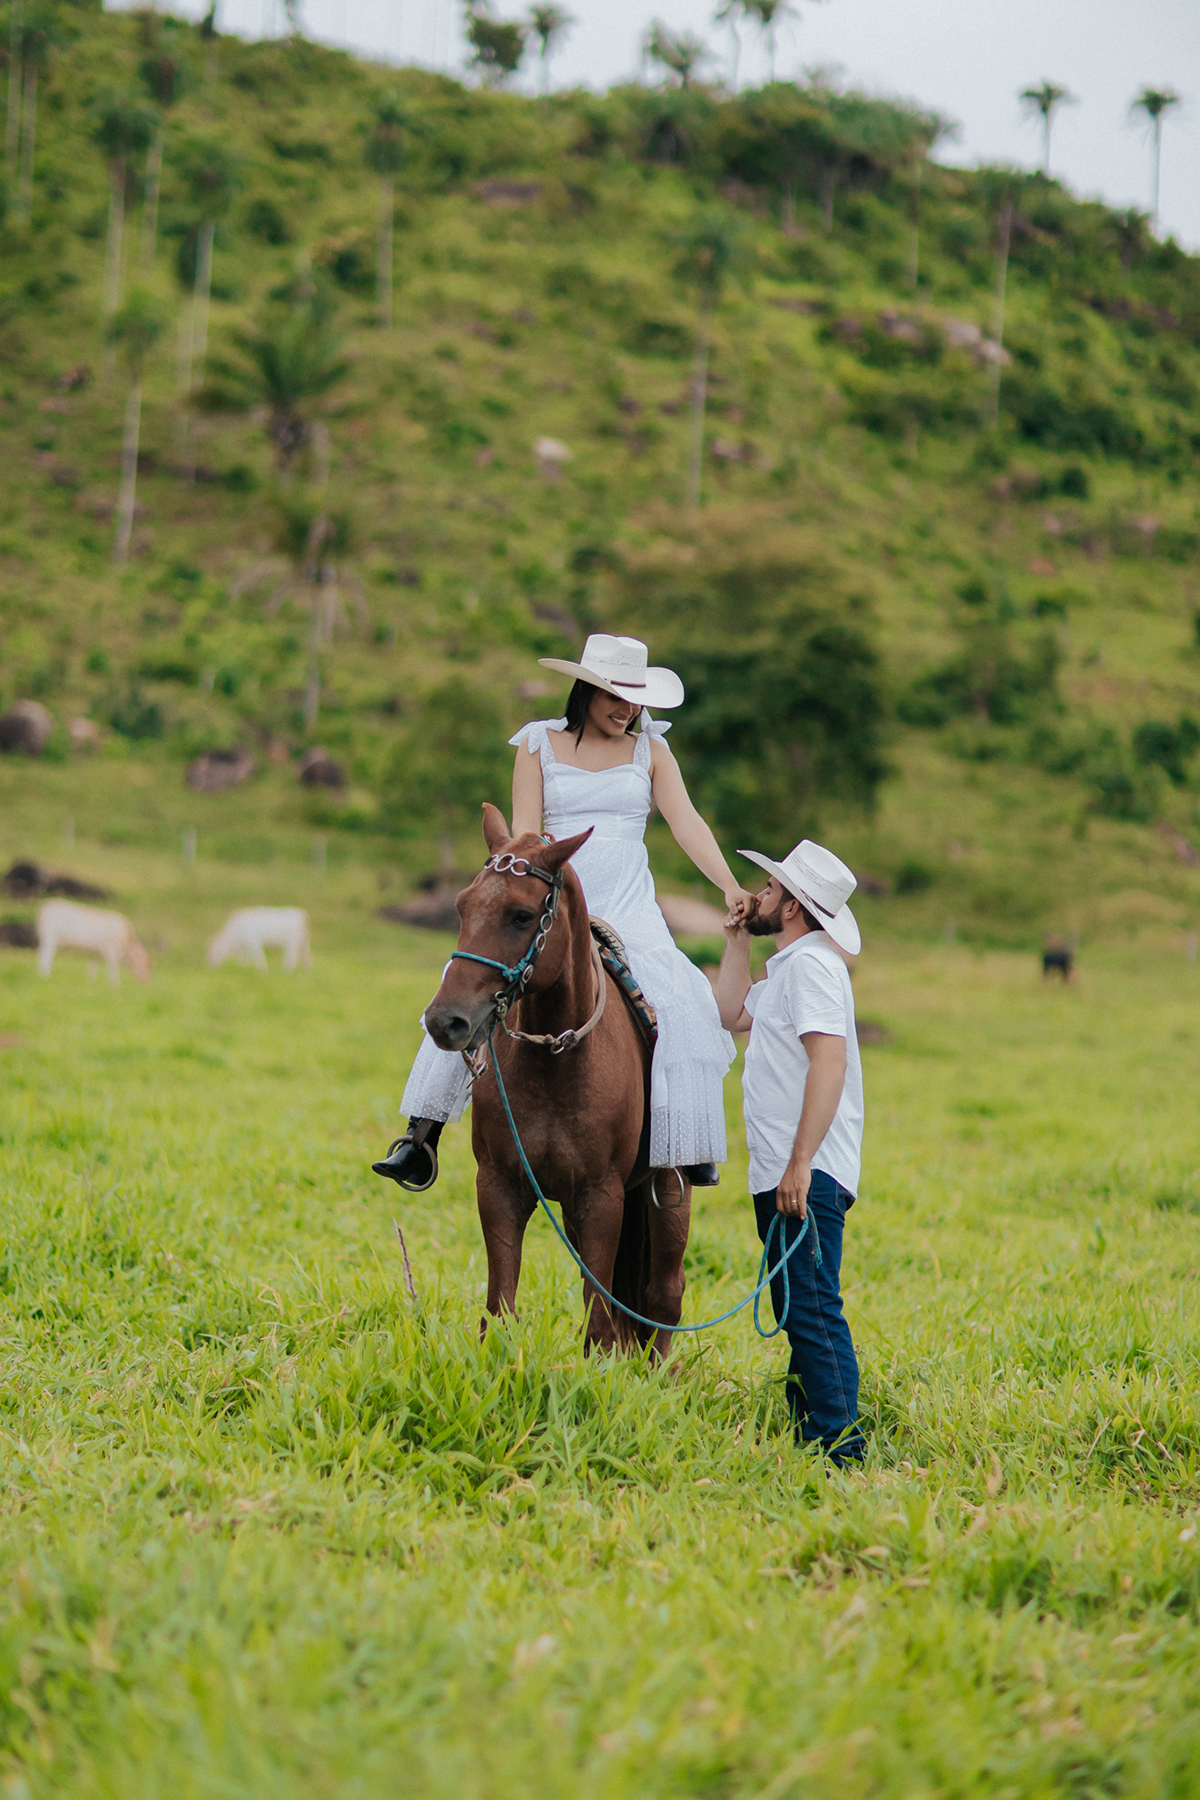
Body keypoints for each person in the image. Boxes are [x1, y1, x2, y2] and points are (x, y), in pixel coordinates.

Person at [373, 633, 752, 1192]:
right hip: (554, 896)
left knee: (682, 994)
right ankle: (421, 1134)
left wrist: (728, 885)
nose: (627, 709)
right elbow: (526, 831)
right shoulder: (538, 743)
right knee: (469, 981)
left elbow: (686, 823)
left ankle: (681, 1143)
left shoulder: (652, 751)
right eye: (615, 696)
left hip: (627, 902)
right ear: (587, 690)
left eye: (636, 699)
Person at [716, 837, 865, 1465]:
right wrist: (736, 941)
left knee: (811, 1304)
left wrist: (801, 1160)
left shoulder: (811, 969)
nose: (760, 895)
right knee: (795, 1301)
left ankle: (840, 1449)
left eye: (771, 889)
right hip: (783, 1167)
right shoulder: (786, 970)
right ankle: (812, 1436)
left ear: (794, 907)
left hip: (806, 1168)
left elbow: (828, 1062)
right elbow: (728, 1013)